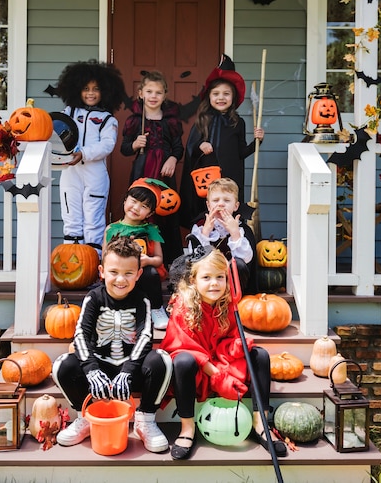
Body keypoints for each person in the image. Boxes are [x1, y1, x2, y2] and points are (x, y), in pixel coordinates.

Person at [160, 248, 287, 460]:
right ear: (193, 280)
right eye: (207, 277)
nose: (214, 283)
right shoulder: (183, 306)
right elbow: (180, 345)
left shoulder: (228, 305)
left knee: (260, 356)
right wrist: (216, 374)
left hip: (225, 363)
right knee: (183, 362)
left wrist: (235, 346)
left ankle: (261, 423)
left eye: (220, 277)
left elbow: (230, 337)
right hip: (199, 370)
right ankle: (187, 428)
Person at [52, 236, 173, 453]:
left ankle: (145, 419)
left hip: (130, 371)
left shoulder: (142, 299)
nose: (120, 279)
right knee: (62, 364)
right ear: (101, 271)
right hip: (99, 369)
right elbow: (80, 334)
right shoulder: (94, 298)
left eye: (128, 273)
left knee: (162, 359)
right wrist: (91, 369)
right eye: (114, 272)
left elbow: (145, 337)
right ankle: (86, 417)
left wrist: (127, 371)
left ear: (138, 274)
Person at [179, 55, 264, 228]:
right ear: (209, 97)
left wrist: (257, 141)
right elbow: (190, 148)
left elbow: (241, 152)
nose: (221, 98)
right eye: (216, 94)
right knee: (206, 211)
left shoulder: (238, 122)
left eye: (226, 94)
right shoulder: (203, 119)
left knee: (227, 211)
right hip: (206, 176)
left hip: (229, 176)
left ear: (233, 97)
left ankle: (228, 245)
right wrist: (200, 145)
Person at [56, 59, 126, 255]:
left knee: (93, 218)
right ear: (77, 89)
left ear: (105, 91)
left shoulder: (107, 119)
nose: (90, 93)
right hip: (71, 170)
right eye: (86, 88)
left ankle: (93, 262)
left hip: (95, 173)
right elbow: (55, 130)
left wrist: (84, 153)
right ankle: (70, 260)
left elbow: (107, 144)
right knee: (71, 215)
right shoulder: (69, 112)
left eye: (96, 89)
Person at [120, 71, 185, 266]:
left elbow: (178, 147)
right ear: (141, 93)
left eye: (158, 92)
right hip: (143, 172)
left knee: (166, 211)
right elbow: (124, 148)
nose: (153, 96)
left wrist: (173, 159)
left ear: (165, 95)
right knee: (141, 209)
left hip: (165, 175)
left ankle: (170, 261)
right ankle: (137, 258)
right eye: (149, 91)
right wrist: (134, 144)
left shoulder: (170, 122)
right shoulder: (134, 120)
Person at [104, 178, 170, 330]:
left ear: (150, 213)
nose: (136, 208)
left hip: (143, 272)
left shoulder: (151, 230)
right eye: (133, 201)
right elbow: (105, 258)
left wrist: (147, 261)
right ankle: (119, 310)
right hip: (121, 272)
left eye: (144, 206)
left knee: (151, 274)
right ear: (126, 199)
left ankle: (156, 309)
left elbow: (159, 259)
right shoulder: (112, 229)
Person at [189, 177, 258, 293]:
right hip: (208, 280)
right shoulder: (200, 228)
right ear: (209, 205)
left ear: (235, 206)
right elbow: (194, 259)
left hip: (233, 283)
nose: (221, 204)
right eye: (216, 200)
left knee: (239, 265)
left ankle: (233, 302)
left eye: (226, 200)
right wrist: (205, 233)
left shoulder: (242, 229)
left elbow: (247, 260)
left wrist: (234, 233)